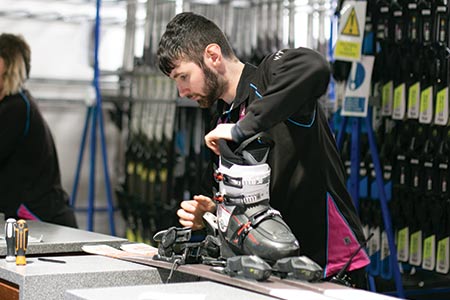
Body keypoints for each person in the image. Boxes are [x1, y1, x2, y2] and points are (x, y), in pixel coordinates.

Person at [157, 12, 370, 288]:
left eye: (183, 76)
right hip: (272, 275)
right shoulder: (220, 120)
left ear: (212, 55)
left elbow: (314, 66)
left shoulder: (268, 80)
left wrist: (242, 128)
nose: (181, 91)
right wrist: (212, 214)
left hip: (331, 269)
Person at [0, 33, 77, 228]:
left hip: (42, 221)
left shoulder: (16, 108)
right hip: (30, 220)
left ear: (9, 70)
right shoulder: (14, 105)